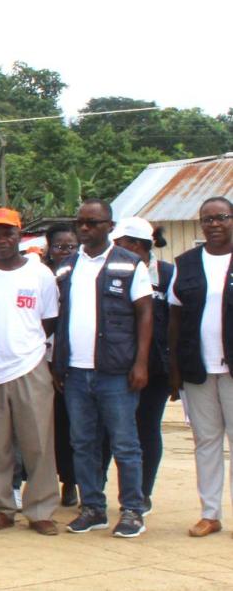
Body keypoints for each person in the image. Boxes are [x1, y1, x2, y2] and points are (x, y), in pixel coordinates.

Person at [53, 199, 152, 538]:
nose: (84, 228)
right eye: (80, 222)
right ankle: (92, 507)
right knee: (82, 443)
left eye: (92, 223)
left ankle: (132, 511)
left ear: (109, 226)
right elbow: (60, 317)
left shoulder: (130, 264)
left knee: (125, 444)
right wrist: (59, 364)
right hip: (76, 372)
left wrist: (141, 363)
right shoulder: (66, 267)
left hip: (116, 372)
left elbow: (145, 314)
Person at [0, 209, 60, 536]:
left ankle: (41, 510)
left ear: (19, 235)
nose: (2, 240)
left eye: (8, 233)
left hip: (31, 366)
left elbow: (48, 321)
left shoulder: (40, 275)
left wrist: (27, 346)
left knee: (38, 443)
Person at [168, 197, 233, 538]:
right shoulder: (187, 263)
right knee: (206, 441)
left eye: (221, 217)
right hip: (198, 368)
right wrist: (175, 370)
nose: (215, 224)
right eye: (208, 219)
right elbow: (175, 319)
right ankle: (210, 514)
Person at [109, 216, 173, 515]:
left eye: (119, 244)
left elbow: (175, 323)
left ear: (135, 246)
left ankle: (142, 493)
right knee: (114, 433)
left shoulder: (168, 274)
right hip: (117, 364)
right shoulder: (113, 272)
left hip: (155, 370)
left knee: (146, 429)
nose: (115, 250)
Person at [44, 222, 80, 507]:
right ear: (49, 250)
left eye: (71, 246)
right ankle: (49, 482)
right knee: (52, 428)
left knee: (77, 428)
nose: (65, 251)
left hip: (77, 363)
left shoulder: (84, 276)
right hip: (45, 362)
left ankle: (72, 482)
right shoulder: (43, 278)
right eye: (59, 246)